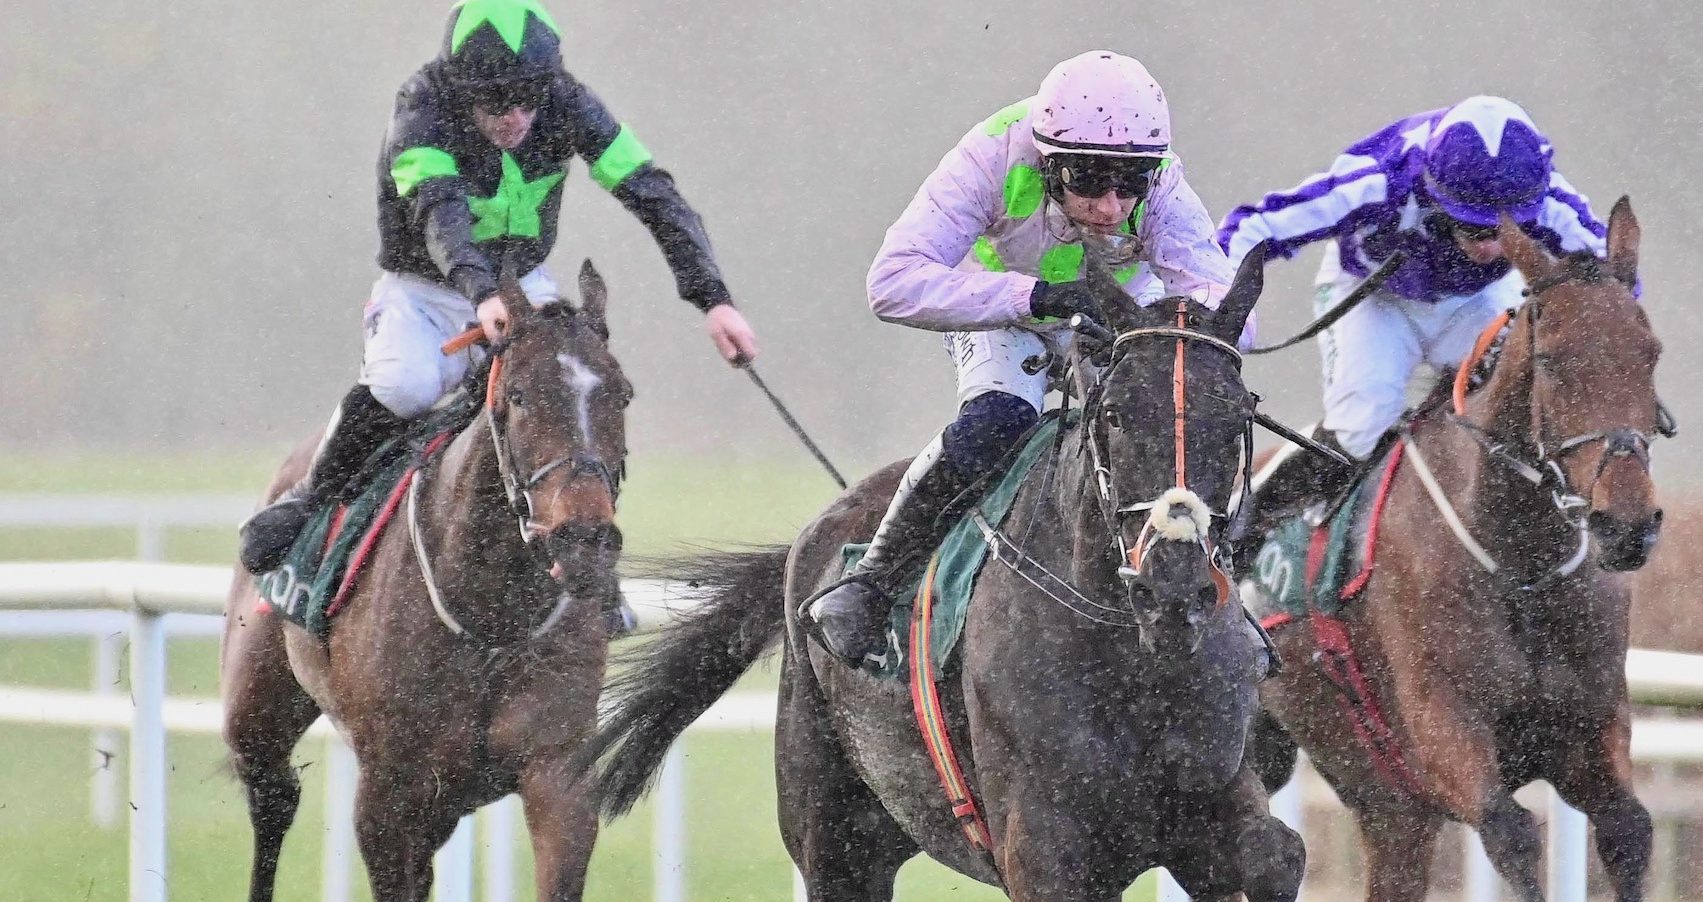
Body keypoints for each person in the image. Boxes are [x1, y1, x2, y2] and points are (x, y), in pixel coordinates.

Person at [239, 0, 757, 576]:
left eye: (527, 100)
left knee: (569, 388)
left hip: (521, 283)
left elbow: (651, 192)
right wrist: (480, 291)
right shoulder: (421, 106)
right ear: (463, 93)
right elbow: (441, 213)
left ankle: (584, 559)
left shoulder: (569, 103)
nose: (514, 118)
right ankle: (311, 499)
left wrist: (715, 300)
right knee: (406, 386)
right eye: (494, 104)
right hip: (425, 290)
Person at [808, 50, 1254, 666]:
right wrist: (1033, 295)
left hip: (1111, 312)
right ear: (1049, 162)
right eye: (1090, 180)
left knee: (1176, 420)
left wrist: (1163, 333)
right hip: (1001, 307)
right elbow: (891, 283)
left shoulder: (1164, 178)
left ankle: (1230, 604)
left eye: (1130, 184)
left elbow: (1229, 307)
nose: (1111, 205)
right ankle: (872, 583)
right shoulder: (989, 155)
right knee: (1000, 419)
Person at [1218, 95, 1611, 507]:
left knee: (1525, 402)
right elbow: (1254, 227)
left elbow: (1615, 283)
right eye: (1474, 228)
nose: (1494, 246)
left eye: (1513, 229)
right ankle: (1245, 528)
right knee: (1362, 422)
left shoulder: (1551, 200)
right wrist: (1217, 307)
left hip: (1477, 300)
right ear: (1433, 194)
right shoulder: (1381, 181)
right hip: (1373, 294)